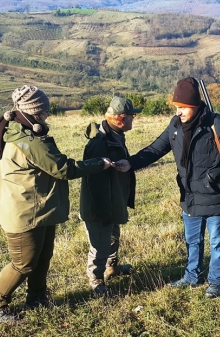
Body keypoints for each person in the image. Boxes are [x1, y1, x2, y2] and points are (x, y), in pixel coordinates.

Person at [0, 85, 113, 325]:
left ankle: (37, 297)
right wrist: (100, 163)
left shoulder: (14, 126)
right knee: (23, 263)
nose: (48, 115)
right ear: (36, 110)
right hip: (23, 209)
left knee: (43, 256)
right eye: (45, 110)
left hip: (36, 205)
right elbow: (63, 168)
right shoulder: (29, 139)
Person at [115, 77, 220, 298]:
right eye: (176, 107)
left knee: (217, 244)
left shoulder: (218, 124)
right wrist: (131, 163)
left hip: (217, 196)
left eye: (183, 107)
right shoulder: (175, 125)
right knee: (192, 240)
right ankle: (191, 276)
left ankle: (215, 281)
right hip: (189, 197)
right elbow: (156, 149)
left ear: (195, 106)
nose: (178, 112)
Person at [79, 96, 138, 295]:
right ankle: (96, 280)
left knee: (113, 236)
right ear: (121, 119)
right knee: (100, 243)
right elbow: (94, 183)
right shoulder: (99, 143)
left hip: (113, 199)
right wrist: (102, 210)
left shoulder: (115, 135)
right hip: (100, 205)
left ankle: (111, 267)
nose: (133, 119)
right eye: (131, 116)